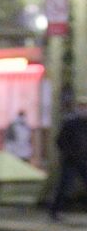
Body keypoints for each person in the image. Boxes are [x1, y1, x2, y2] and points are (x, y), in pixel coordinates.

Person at [49, 91, 87, 222]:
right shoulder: (70, 123)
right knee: (65, 185)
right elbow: (60, 140)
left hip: (83, 159)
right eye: (82, 106)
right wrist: (69, 152)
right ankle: (55, 211)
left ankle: (56, 210)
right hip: (70, 160)